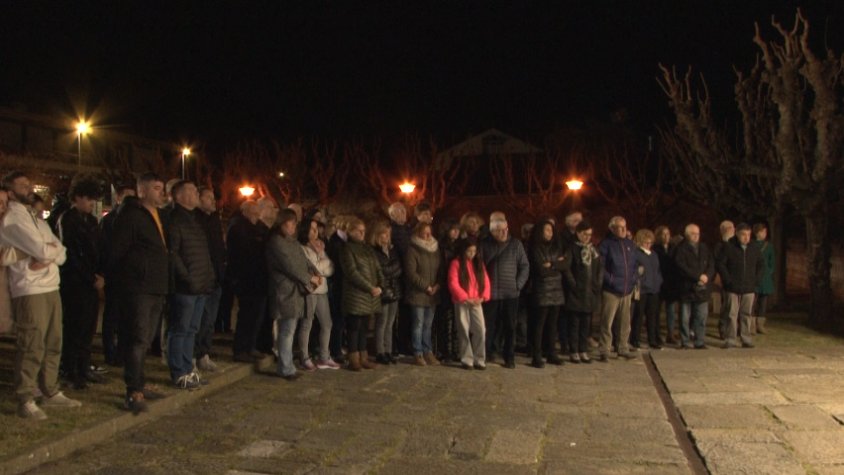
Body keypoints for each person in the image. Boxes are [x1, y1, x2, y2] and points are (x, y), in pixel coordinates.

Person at [1, 171, 80, 420]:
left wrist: (49, 254)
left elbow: (61, 251)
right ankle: (25, 397)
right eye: (22, 185)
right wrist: (48, 253)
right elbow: (41, 250)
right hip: (30, 288)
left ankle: (49, 389)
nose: (29, 187)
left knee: (54, 341)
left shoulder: (36, 218)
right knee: (32, 344)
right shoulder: (13, 219)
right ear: (11, 192)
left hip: (51, 286)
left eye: (29, 183)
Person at [109, 172, 171, 412]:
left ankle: (140, 384)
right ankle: (133, 390)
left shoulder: (159, 215)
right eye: (156, 188)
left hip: (156, 285)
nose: (161, 193)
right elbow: (117, 250)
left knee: (145, 339)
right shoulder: (132, 216)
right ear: (142, 190)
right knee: (136, 338)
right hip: (138, 287)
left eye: (162, 188)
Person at [56, 174, 105, 390]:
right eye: (88, 198)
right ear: (77, 197)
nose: (92, 203)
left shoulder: (91, 221)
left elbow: (97, 251)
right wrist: (90, 277)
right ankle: (70, 369)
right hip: (74, 283)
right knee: (74, 327)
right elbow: (71, 254)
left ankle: (83, 367)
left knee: (88, 327)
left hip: (90, 282)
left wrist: (100, 275)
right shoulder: (68, 219)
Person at [165, 181, 215, 389]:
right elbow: (173, 253)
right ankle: (179, 371)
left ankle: (188, 368)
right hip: (186, 287)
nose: (196, 194)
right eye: (192, 191)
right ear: (179, 196)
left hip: (200, 284)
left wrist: (208, 276)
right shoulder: (175, 219)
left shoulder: (194, 220)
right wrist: (187, 277)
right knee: (180, 329)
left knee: (192, 329)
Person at [266, 209, 320, 380]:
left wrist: (316, 272)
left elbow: (304, 260)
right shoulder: (276, 242)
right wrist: (309, 278)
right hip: (285, 291)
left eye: (295, 223)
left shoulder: (292, 242)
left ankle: (288, 365)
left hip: (295, 291)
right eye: (291, 223)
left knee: (291, 328)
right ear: (282, 222)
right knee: (287, 330)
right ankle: (285, 367)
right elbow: (290, 266)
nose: (293, 226)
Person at [479, 212, 529, 369]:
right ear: (492, 231)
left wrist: (518, 285)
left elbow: (524, 266)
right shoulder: (485, 245)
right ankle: (487, 354)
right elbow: (479, 267)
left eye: (505, 230)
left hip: (510, 293)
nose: (503, 233)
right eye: (499, 230)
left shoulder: (516, 244)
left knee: (510, 326)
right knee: (488, 326)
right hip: (491, 293)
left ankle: (509, 357)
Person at [100, 182, 136, 367]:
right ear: (118, 198)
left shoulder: (134, 218)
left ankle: (122, 352)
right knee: (112, 315)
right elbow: (107, 249)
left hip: (130, 276)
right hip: (115, 275)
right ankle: (110, 351)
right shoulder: (110, 220)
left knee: (126, 317)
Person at [340, 217, 383, 371]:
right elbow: (352, 272)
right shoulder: (347, 249)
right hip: (356, 295)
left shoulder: (367, 249)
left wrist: (380, 285)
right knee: (354, 327)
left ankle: (363, 357)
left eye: (364, 231)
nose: (362, 234)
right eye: (359, 231)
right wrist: (369, 287)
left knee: (364, 327)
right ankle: (353, 358)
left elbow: (377, 268)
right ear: (351, 231)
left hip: (370, 295)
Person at [229, 200, 270, 362]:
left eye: (257, 213)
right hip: (246, 279)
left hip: (259, 279)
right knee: (246, 316)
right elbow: (239, 255)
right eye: (253, 213)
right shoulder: (238, 228)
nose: (256, 216)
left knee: (257, 316)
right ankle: (240, 349)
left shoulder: (260, 227)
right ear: (245, 212)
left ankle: (251, 346)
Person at [298, 217, 339, 370]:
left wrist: (321, 256)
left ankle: (324, 356)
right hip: (310, 289)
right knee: (307, 323)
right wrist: (322, 263)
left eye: (316, 229)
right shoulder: (302, 248)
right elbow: (313, 268)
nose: (316, 232)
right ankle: (304, 356)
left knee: (327, 323)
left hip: (322, 289)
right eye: (312, 229)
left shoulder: (319, 246)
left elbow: (330, 269)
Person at [597, 216, 638, 362]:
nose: (623, 230)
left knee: (625, 322)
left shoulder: (630, 244)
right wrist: (611, 280)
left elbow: (634, 265)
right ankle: (605, 350)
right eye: (620, 227)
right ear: (612, 229)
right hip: (611, 290)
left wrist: (633, 280)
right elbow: (601, 266)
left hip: (627, 289)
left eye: (625, 226)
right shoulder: (606, 244)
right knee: (607, 321)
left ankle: (623, 348)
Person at [717, 223, 764, 349]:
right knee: (731, 314)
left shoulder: (754, 248)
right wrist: (727, 280)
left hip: (749, 287)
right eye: (743, 234)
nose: (746, 237)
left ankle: (746, 338)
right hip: (732, 287)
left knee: (746, 314)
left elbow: (761, 264)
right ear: (737, 234)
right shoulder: (729, 247)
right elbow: (721, 264)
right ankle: (730, 339)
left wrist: (756, 280)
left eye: (748, 234)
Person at [194, 187, 226, 373]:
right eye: (209, 197)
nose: (213, 201)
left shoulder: (214, 220)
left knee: (210, 320)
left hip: (216, 277)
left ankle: (204, 353)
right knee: (198, 320)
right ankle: (192, 355)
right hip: (201, 277)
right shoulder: (194, 219)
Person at [562, 221, 602, 363]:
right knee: (574, 324)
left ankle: (583, 350)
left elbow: (600, 268)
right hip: (576, 293)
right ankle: (574, 351)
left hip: (589, 292)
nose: (587, 237)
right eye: (585, 234)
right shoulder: (572, 248)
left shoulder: (593, 250)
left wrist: (597, 284)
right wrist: (573, 284)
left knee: (586, 324)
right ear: (578, 233)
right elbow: (567, 269)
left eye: (589, 235)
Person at [527, 220, 565, 368]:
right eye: (546, 230)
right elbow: (540, 270)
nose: (549, 233)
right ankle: (537, 355)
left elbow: (564, 264)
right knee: (539, 324)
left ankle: (551, 353)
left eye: (551, 230)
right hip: (542, 289)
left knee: (552, 324)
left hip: (557, 289)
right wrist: (556, 265)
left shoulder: (556, 246)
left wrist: (552, 264)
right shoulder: (535, 248)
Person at [448, 239, 490, 370]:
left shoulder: (479, 264)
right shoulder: (456, 263)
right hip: (462, 301)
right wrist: (465, 297)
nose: (472, 254)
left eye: (474, 251)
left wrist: (483, 297)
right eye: (469, 251)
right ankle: (467, 358)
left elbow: (486, 281)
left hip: (476, 301)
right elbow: (453, 282)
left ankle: (479, 358)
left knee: (481, 329)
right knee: (463, 329)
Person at [404, 222, 443, 366]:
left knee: (428, 325)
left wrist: (437, 285)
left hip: (432, 294)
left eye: (429, 232)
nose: (428, 235)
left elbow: (441, 269)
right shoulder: (413, 249)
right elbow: (411, 273)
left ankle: (428, 351)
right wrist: (425, 286)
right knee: (418, 324)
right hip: (418, 293)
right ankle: (418, 352)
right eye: (424, 232)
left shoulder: (435, 249)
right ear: (418, 233)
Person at [673, 223, 715, 350]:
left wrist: (707, 276)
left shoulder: (704, 248)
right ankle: (685, 340)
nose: (696, 236)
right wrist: (697, 277)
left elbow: (711, 264)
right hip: (687, 288)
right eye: (693, 234)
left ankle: (699, 341)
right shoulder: (681, 249)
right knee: (685, 317)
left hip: (703, 288)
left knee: (701, 316)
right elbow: (681, 267)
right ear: (687, 235)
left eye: (698, 234)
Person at [370, 220, 402, 365]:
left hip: (394, 289)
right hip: (383, 290)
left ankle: (388, 350)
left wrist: (391, 269)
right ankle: (380, 351)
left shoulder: (392, 250)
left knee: (390, 323)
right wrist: (392, 269)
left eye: (389, 234)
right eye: (384, 234)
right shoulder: (374, 251)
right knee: (381, 322)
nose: (387, 237)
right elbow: (381, 271)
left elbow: (399, 268)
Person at [630, 229, 663, 350]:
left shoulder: (654, 255)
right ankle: (635, 339)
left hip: (654, 289)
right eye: (646, 243)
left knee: (652, 316)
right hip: (642, 289)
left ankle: (652, 340)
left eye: (650, 243)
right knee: (638, 316)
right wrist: (640, 280)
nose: (648, 245)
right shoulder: (636, 254)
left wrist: (658, 282)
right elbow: (635, 271)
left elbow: (657, 270)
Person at [653, 225, 680, 345]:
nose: (666, 236)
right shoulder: (655, 249)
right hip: (659, 283)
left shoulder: (673, 248)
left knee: (671, 311)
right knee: (657, 311)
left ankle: (670, 334)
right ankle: (656, 334)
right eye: (663, 234)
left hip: (671, 283)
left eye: (668, 234)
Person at [714, 220, 735, 340]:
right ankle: (723, 327)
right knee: (726, 304)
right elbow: (718, 262)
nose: (732, 230)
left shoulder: (734, 245)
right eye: (730, 228)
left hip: (736, 278)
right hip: (725, 279)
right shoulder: (720, 245)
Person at [753, 223, 774, 335]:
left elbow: (772, 262)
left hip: (765, 278)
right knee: (752, 302)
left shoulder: (769, 246)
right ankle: (751, 324)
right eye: (763, 232)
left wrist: (769, 271)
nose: (765, 234)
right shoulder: (752, 245)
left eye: (765, 232)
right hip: (754, 276)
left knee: (763, 302)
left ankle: (760, 324)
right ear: (757, 233)